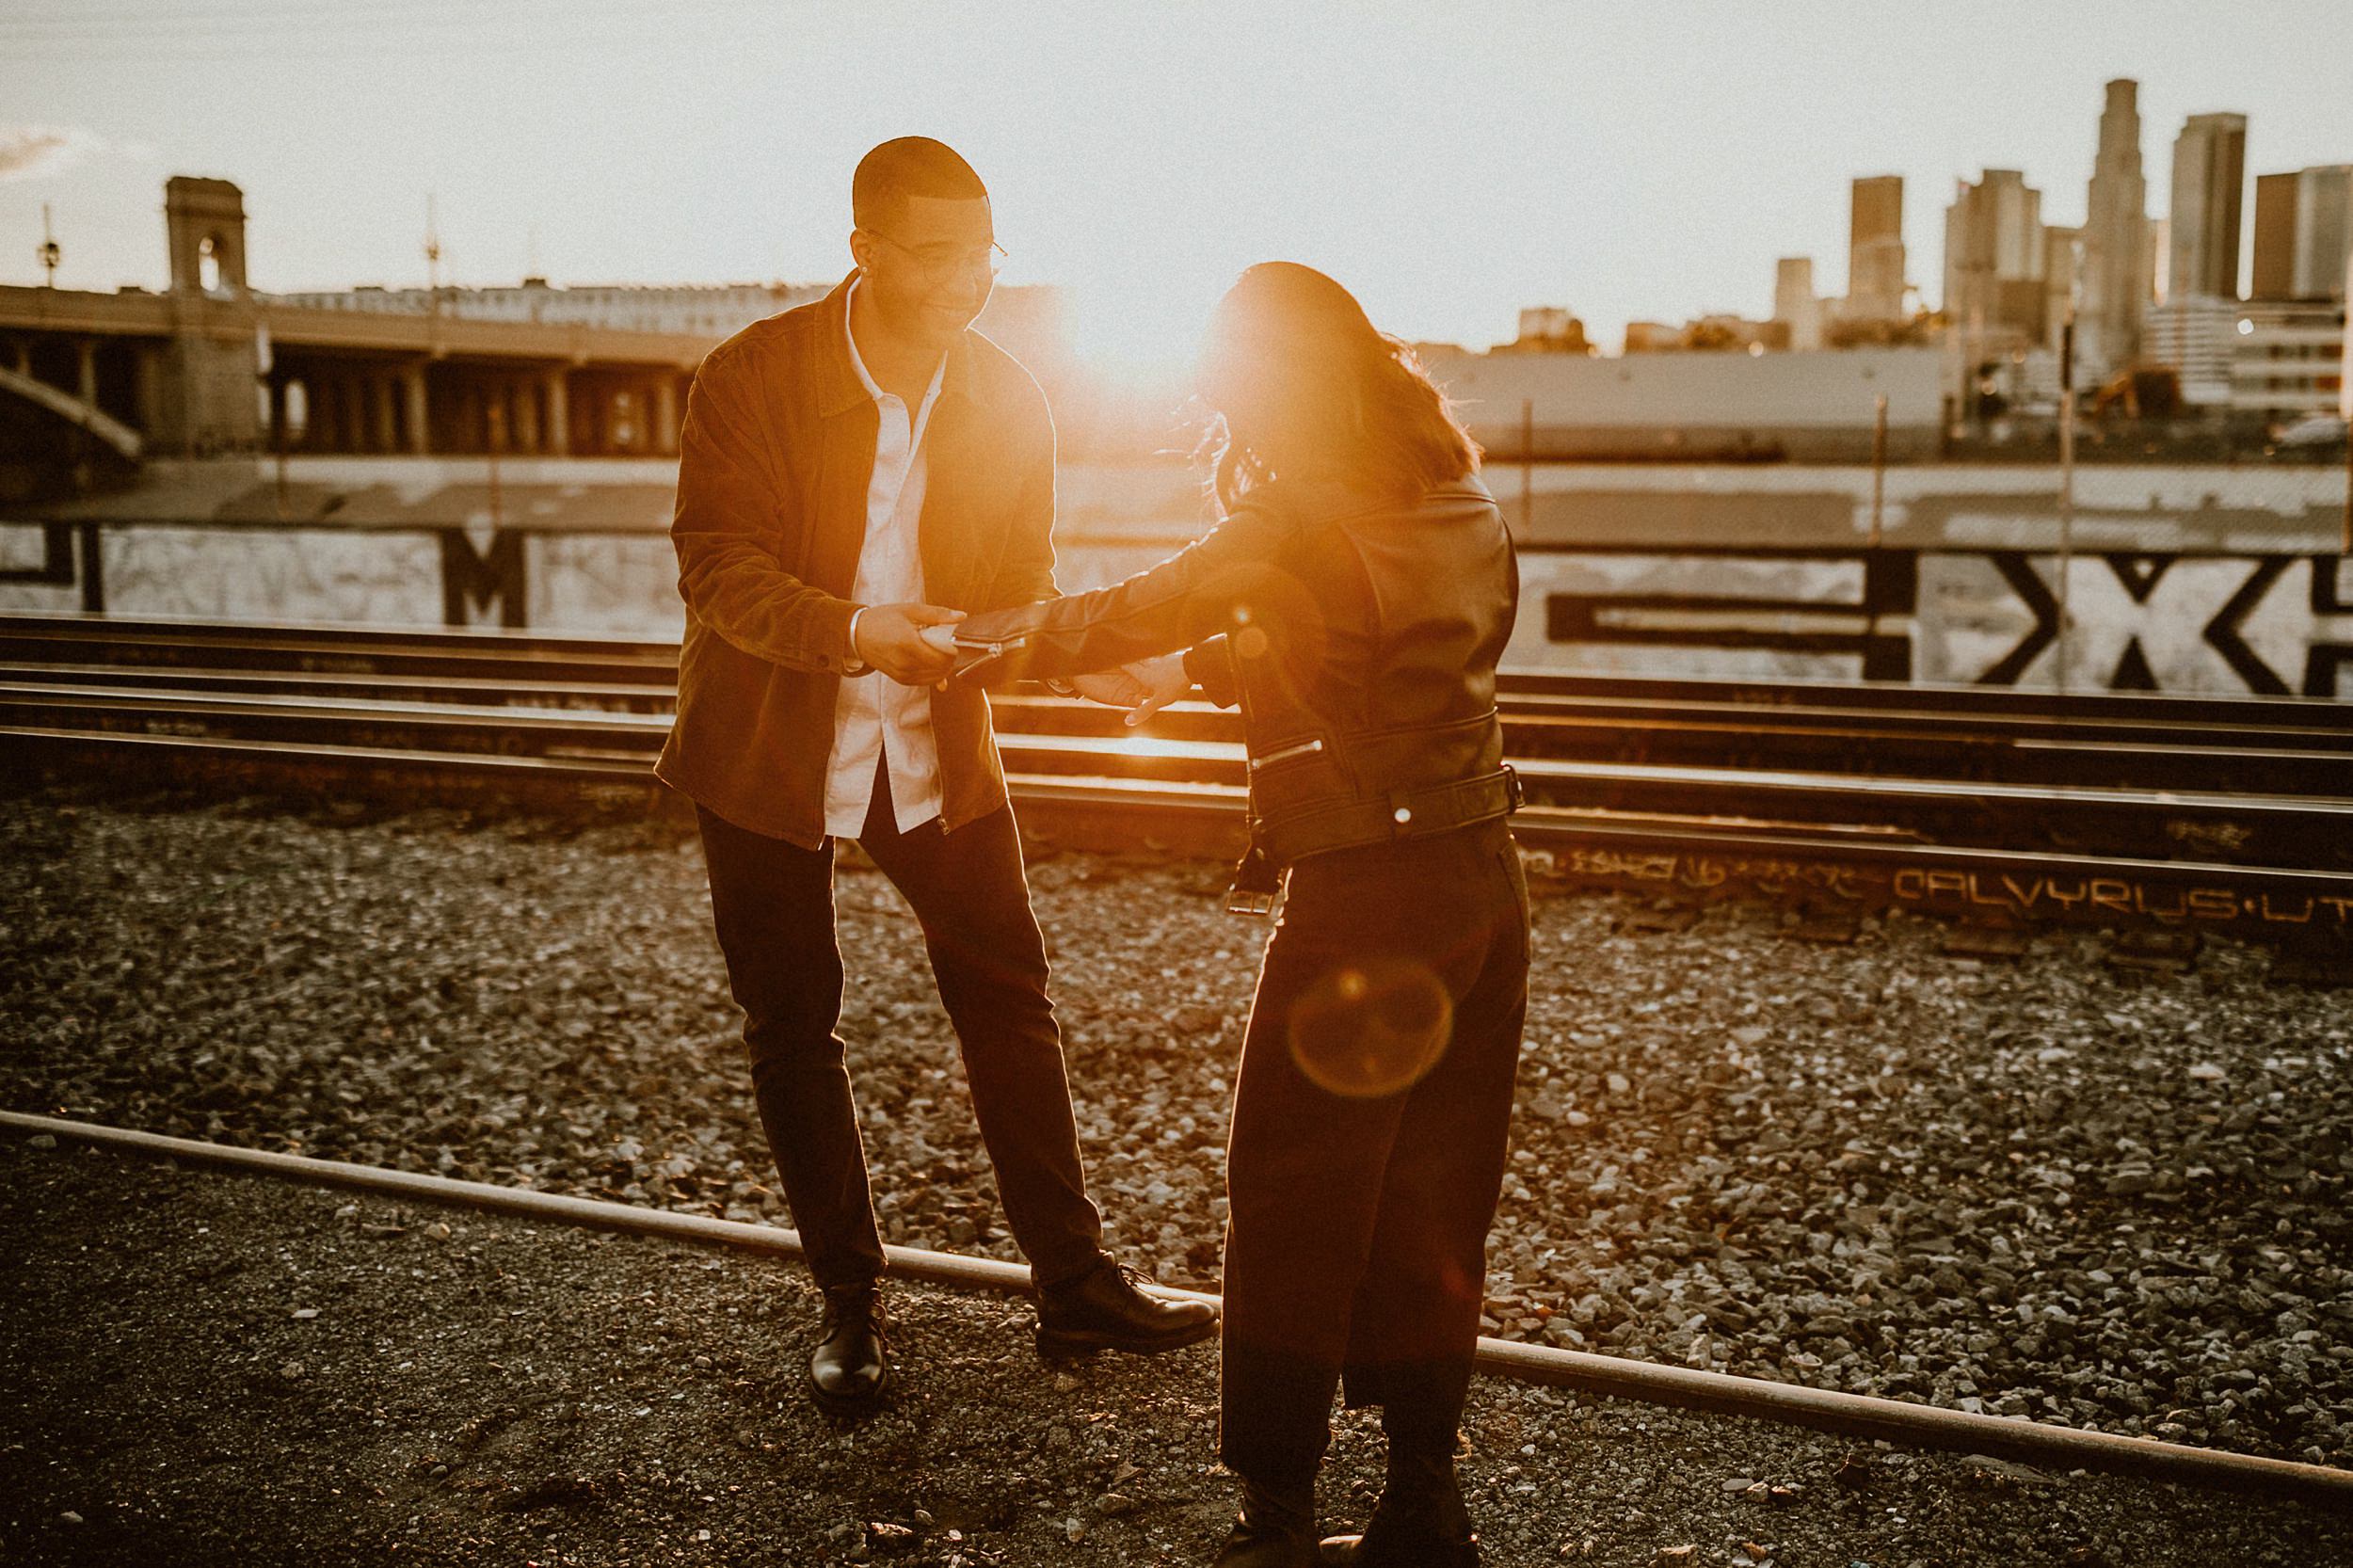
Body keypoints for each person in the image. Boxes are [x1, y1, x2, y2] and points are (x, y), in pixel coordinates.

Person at [947, 262, 1529, 1567]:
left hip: (1365, 911)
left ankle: (1273, 1518)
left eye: (1234, 397)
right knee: (1438, 1197)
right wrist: (1203, 674)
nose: (1229, 425)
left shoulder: (1291, 523)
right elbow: (1369, 653)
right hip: (1488, 889)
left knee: (1291, 1198)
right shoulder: (1463, 497)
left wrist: (975, 637)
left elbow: (1124, 612)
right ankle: (1423, 1499)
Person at [656, 136, 1217, 1418]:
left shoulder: (1012, 394)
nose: (971, 276)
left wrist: (1090, 662)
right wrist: (858, 630)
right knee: (794, 1024)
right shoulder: (754, 372)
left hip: (937, 750)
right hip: (766, 751)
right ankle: (848, 1302)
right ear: (863, 249)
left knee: (1010, 991)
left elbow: (1016, 584)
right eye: (939, 252)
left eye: (986, 249)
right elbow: (716, 566)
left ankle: (1072, 1282)